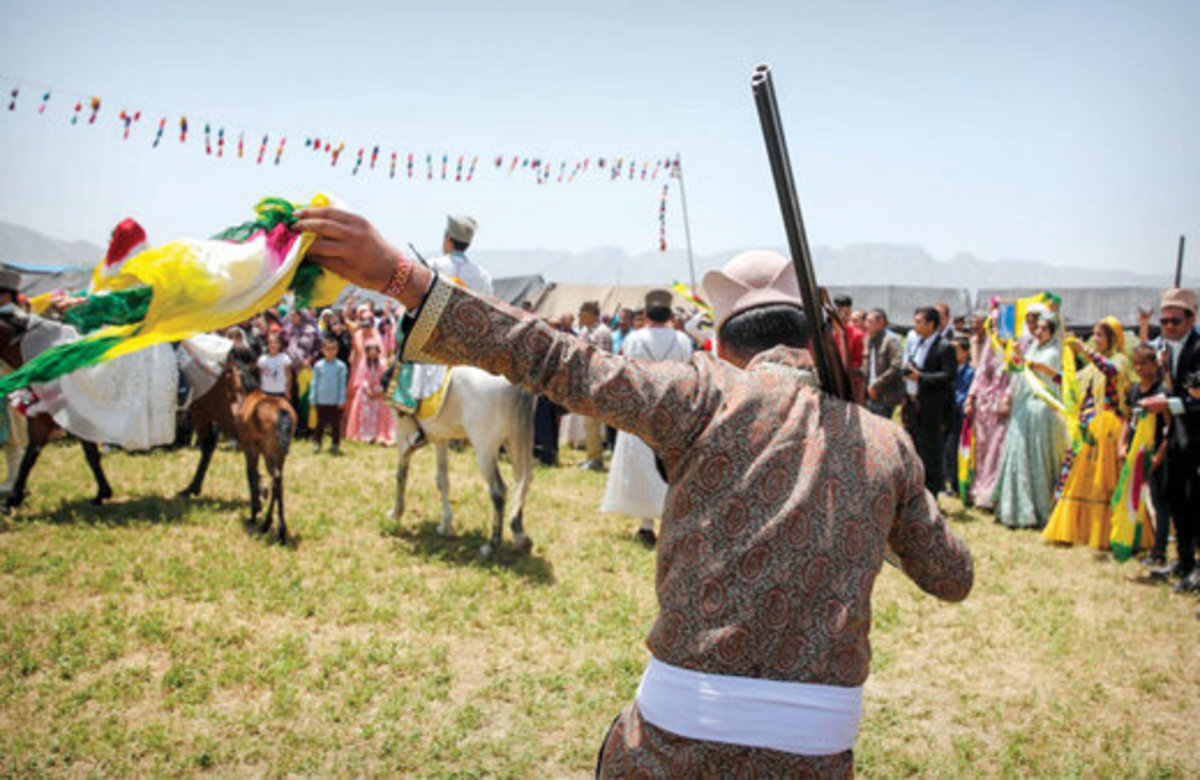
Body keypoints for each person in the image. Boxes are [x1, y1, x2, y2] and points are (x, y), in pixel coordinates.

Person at [294, 208, 974, 775]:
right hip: (819, 753)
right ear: (822, 336)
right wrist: (875, 496)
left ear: (721, 344)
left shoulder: (703, 394)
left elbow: (555, 359)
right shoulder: (886, 444)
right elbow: (952, 577)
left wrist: (402, 277)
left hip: (677, 735)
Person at [601, 289, 693, 546]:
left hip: (642, 409)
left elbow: (626, 369)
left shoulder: (634, 339)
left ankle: (646, 524)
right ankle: (670, 522)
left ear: (647, 314)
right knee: (673, 466)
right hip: (674, 410)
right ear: (668, 314)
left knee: (642, 466)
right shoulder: (682, 340)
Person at [390, 215, 491, 444]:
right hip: (468, 344)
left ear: (448, 240)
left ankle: (413, 422)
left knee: (404, 366)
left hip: (435, 340)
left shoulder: (435, 265)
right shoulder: (482, 275)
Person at [1042, 318, 1131, 548]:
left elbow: (1110, 371)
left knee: (1103, 479)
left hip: (1107, 428)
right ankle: (1076, 529)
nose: (1095, 339)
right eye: (1094, 335)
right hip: (1087, 427)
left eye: (1100, 335)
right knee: (1076, 475)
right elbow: (1070, 383)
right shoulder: (1091, 368)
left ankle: (1105, 531)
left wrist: (1084, 349)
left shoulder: (1118, 361)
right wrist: (1043, 371)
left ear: (1112, 338)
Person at [1141, 289, 1200, 592]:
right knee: (1176, 498)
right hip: (1178, 436)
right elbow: (1178, 391)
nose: (1169, 327)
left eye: (1175, 321)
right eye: (1164, 321)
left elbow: (1196, 401)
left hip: (1196, 439)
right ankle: (1185, 560)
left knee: (1195, 502)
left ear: (1192, 318)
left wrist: (1166, 404)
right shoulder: (1169, 348)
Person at [992, 314, 1066, 529]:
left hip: (1040, 408)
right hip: (1023, 406)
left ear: (1052, 332)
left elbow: (1036, 369)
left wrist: (1018, 354)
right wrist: (1013, 353)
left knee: (1036, 458)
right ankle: (1012, 508)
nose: (1039, 332)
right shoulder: (1034, 347)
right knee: (1018, 454)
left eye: (1044, 328)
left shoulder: (1052, 353)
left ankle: (1037, 508)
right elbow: (1017, 368)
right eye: (1038, 328)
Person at [1122, 344, 1169, 564]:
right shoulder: (1133, 390)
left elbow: (1171, 427)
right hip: (1134, 454)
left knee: (1158, 503)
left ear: (1154, 364)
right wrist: (1122, 444)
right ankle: (1133, 541)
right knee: (1132, 499)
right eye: (1136, 364)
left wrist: (1159, 455)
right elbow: (1127, 417)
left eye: (1144, 363)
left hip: (1155, 455)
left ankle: (1159, 550)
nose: (1139, 368)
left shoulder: (1162, 393)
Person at [904, 306, 957, 495]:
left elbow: (948, 376)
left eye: (919, 321)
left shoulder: (944, 347)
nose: (915, 325)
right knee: (914, 451)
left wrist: (921, 377)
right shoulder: (918, 343)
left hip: (932, 409)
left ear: (931, 324)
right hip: (913, 405)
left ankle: (932, 495)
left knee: (930, 454)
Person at [964, 308, 1010, 510]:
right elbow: (980, 372)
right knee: (982, 447)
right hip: (984, 404)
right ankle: (980, 491)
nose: (993, 329)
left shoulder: (1013, 345)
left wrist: (1008, 396)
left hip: (1003, 404)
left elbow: (1017, 375)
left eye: (996, 325)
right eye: (990, 325)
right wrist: (970, 397)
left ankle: (995, 493)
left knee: (998, 448)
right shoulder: (990, 345)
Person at [576, 300, 613, 472]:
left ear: (590, 315)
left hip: (597, 382)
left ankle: (596, 460)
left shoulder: (602, 332)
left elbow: (602, 359)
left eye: (582, 314)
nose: (580, 318)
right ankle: (592, 456)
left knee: (593, 422)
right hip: (588, 380)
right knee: (589, 423)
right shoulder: (588, 330)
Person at [944, 336, 974, 497]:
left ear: (965, 352)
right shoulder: (949, 369)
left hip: (958, 414)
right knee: (947, 450)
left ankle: (956, 484)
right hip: (947, 413)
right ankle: (948, 480)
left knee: (955, 448)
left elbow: (965, 394)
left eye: (956, 350)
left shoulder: (969, 372)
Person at [310, 336, 348, 455]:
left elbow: (342, 384)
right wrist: (313, 398)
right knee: (320, 424)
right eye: (327, 349)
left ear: (336, 350)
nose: (330, 352)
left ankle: (335, 444)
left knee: (335, 425)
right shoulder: (318, 365)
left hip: (335, 400)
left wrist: (341, 399)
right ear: (323, 350)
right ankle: (317, 443)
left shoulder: (341, 366)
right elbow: (314, 383)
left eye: (333, 349)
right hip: (321, 399)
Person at [863, 308, 903, 419]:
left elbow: (896, 366)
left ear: (880, 323)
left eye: (870, 321)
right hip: (869, 394)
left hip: (885, 395)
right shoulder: (867, 340)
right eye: (866, 321)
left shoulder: (890, 341)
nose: (866, 325)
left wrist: (876, 385)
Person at [834, 294, 866, 404]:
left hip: (850, 383)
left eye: (847, 313)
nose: (844, 317)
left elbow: (859, 362)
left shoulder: (857, 334)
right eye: (840, 313)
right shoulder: (827, 332)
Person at [256, 333, 293, 398]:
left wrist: (288, 391)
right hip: (266, 391)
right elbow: (260, 376)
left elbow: (289, 376)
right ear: (267, 345)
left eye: (276, 343)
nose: (273, 345)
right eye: (270, 343)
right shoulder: (262, 359)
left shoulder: (285, 358)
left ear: (280, 345)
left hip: (281, 391)